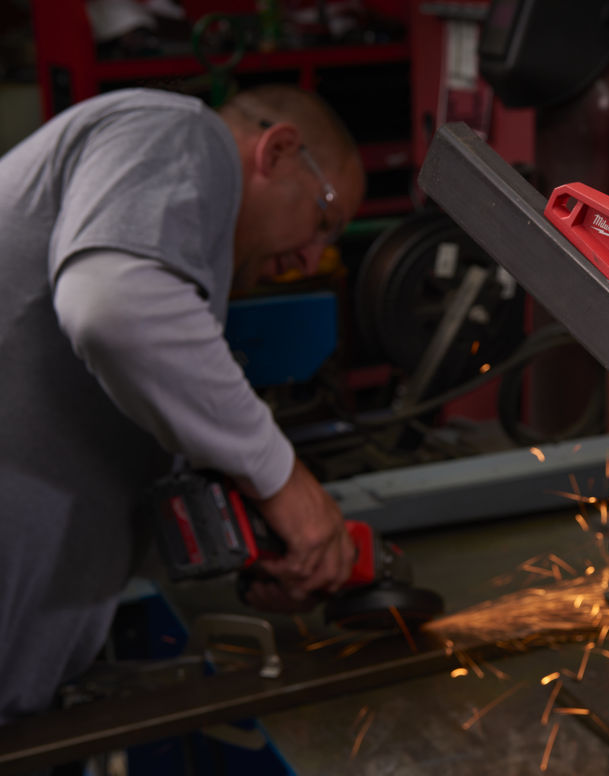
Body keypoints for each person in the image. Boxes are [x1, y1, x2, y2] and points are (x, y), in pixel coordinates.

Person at [0, 83, 366, 723]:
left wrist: (252, 553)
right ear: (278, 151)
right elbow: (111, 306)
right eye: (324, 219)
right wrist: (285, 482)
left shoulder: (177, 284)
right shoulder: (180, 131)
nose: (314, 258)